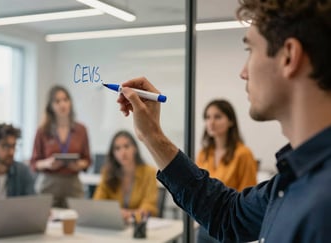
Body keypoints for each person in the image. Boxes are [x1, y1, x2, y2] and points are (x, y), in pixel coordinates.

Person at [116, 0, 331, 242]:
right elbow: (228, 215)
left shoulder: (322, 200)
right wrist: (152, 136)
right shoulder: (292, 178)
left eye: (250, 51)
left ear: (289, 56)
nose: (243, 72)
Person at [196, 99, 257, 243]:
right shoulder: (203, 153)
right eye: (207, 117)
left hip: (229, 228)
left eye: (217, 117)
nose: (211, 122)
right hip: (204, 226)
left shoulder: (243, 154)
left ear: (231, 121)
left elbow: (248, 196)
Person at [30, 85, 91, 208]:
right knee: (46, 221)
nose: (62, 104)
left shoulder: (81, 130)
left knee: (75, 221)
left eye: (65, 100)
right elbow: (34, 163)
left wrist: (78, 165)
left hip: (73, 183)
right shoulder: (42, 131)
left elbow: (87, 160)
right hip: (49, 183)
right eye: (57, 101)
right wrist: (48, 163)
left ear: (70, 103)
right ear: (51, 106)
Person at [93, 130, 158, 222]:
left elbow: (150, 205)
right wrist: (116, 213)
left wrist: (130, 214)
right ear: (113, 153)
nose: (122, 152)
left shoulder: (149, 172)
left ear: (135, 148)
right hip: (114, 223)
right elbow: (98, 203)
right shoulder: (107, 172)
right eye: (117, 148)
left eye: (126, 146)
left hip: (138, 224)